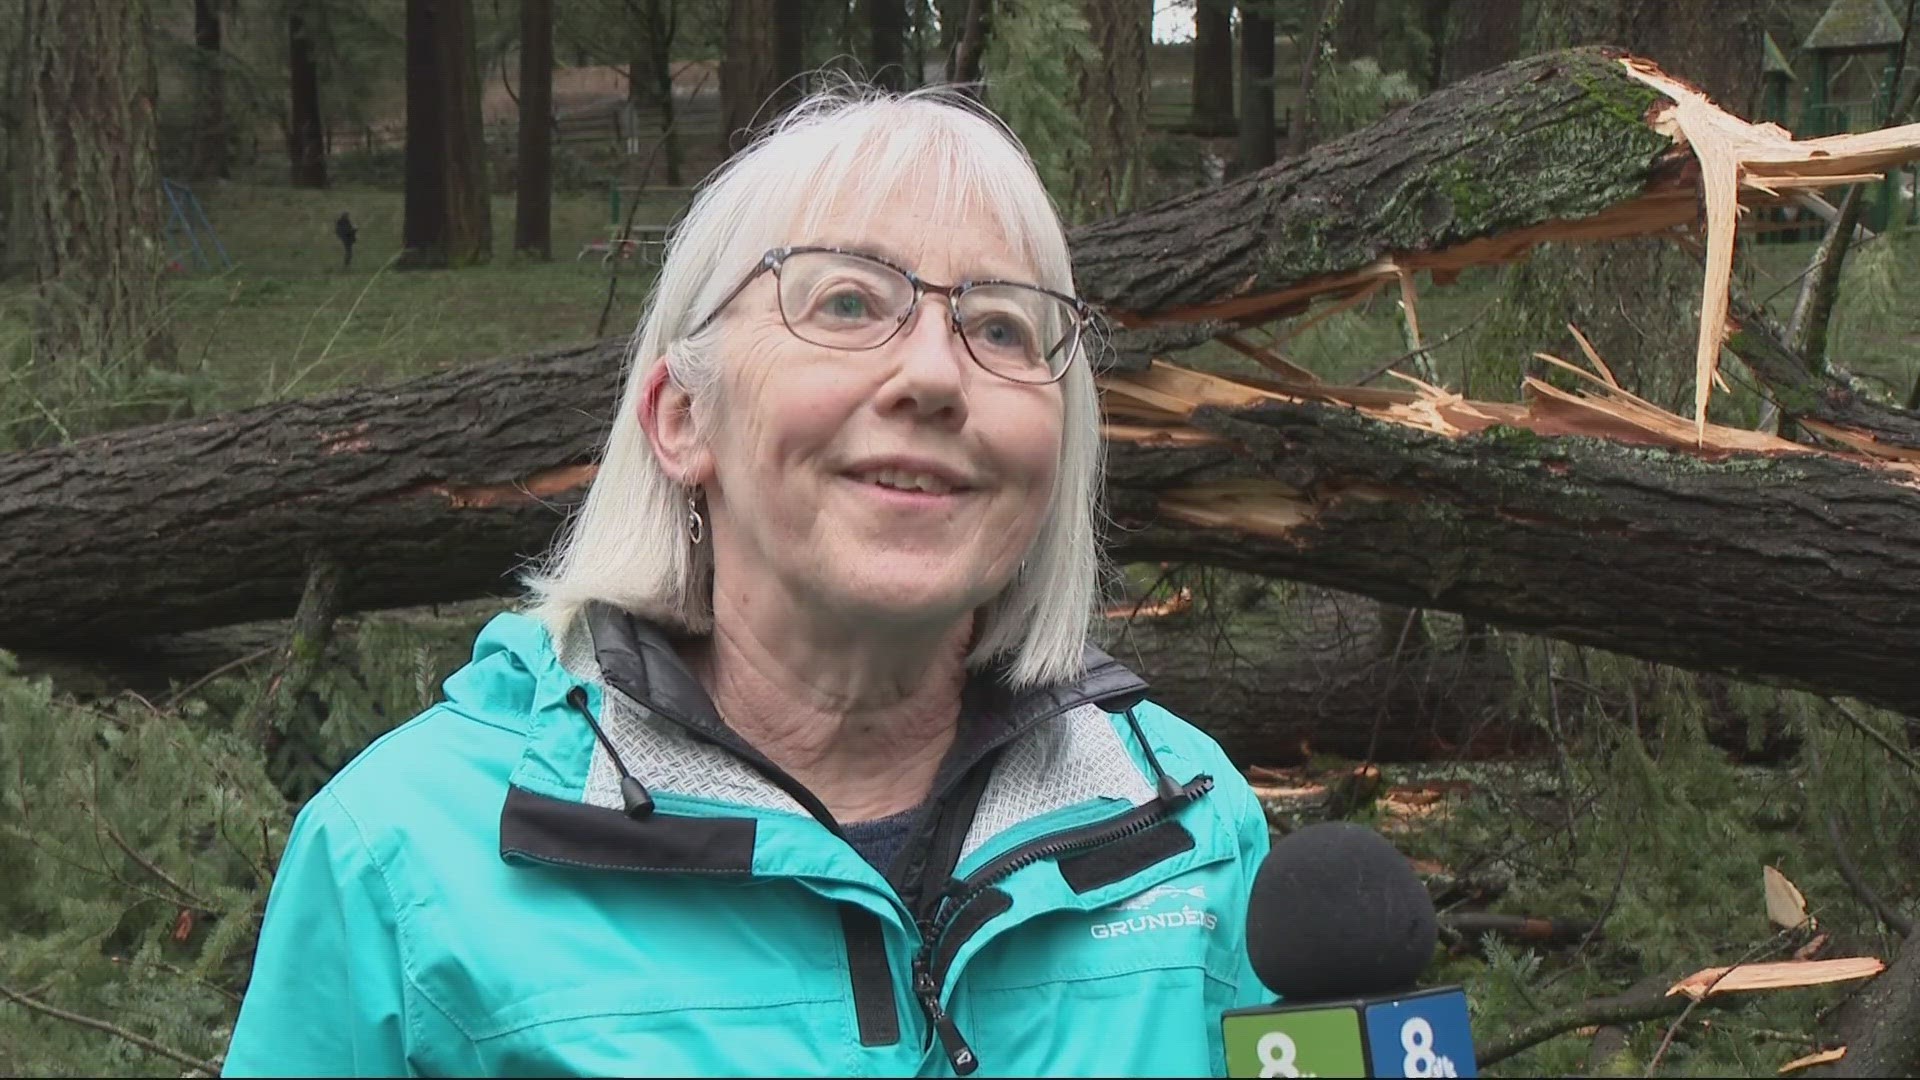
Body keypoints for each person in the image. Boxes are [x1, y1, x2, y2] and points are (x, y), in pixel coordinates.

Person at [222, 81, 1274, 1078]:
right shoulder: (407, 861)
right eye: (852, 302)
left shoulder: (1189, 829)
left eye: (1000, 325)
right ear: (682, 418)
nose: (934, 378)